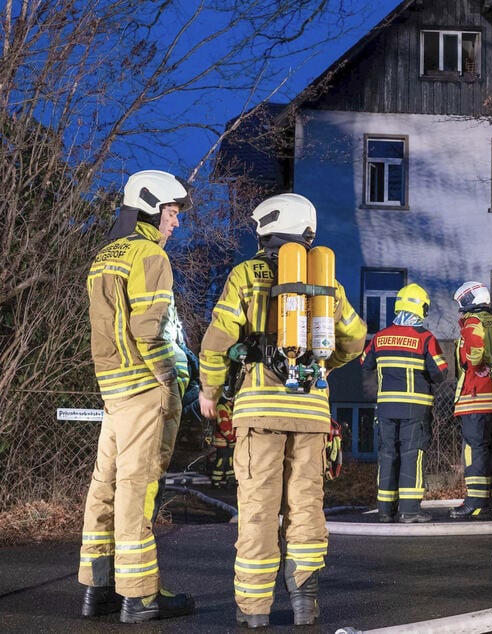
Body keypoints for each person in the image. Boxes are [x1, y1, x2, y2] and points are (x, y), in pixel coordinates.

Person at [198, 193, 367, 628]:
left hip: (258, 413)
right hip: (310, 412)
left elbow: (217, 338)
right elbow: (353, 335)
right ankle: (304, 605)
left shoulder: (246, 273)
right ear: (306, 228)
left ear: (265, 228)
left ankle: (254, 612)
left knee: (257, 509)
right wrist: (323, 366)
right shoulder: (323, 278)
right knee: (306, 507)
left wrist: (210, 390)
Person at [79, 170, 196, 623]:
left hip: (112, 386)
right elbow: (149, 332)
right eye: (172, 212)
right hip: (144, 386)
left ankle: (97, 588)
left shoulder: (105, 256)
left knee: (103, 485)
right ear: (151, 207)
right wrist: (170, 378)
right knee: (136, 488)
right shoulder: (149, 256)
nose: (176, 222)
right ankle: (141, 595)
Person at [361, 283, 448, 524]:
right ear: (421, 308)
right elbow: (440, 372)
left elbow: (365, 364)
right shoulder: (425, 338)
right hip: (415, 409)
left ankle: (385, 511)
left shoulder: (380, 337)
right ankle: (409, 510)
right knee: (412, 454)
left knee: (388, 454)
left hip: (386, 408)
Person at [449, 281, 492, 520]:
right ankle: (489, 502)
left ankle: (474, 502)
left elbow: (473, 352)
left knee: (474, 449)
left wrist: (469, 363)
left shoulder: (473, 322)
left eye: (461, 305)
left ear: (469, 300)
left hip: (476, 394)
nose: (461, 310)